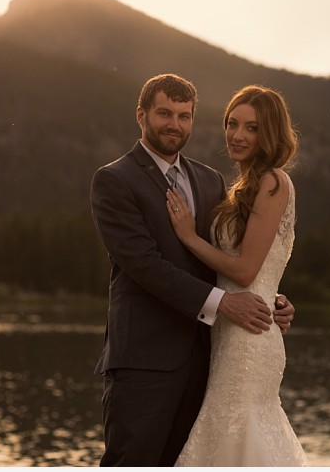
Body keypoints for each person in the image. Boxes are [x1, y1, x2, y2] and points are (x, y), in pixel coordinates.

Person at [89, 74, 296, 466]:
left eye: (184, 116)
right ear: (141, 115)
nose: (174, 124)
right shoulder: (114, 180)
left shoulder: (209, 180)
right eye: (165, 113)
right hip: (144, 360)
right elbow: (144, 265)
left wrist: (272, 298)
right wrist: (225, 304)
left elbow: (231, 256)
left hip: (210, 359)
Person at [166, 84, 308, 466]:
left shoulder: (273, 181)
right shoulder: (243, 188)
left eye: (252, 128)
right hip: (232, 329)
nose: (237, 135)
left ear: (271, 133)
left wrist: (188, 236)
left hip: (250, 338)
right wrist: (277, 298)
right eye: (232, 124)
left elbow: (246, 271)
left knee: (237, 434)